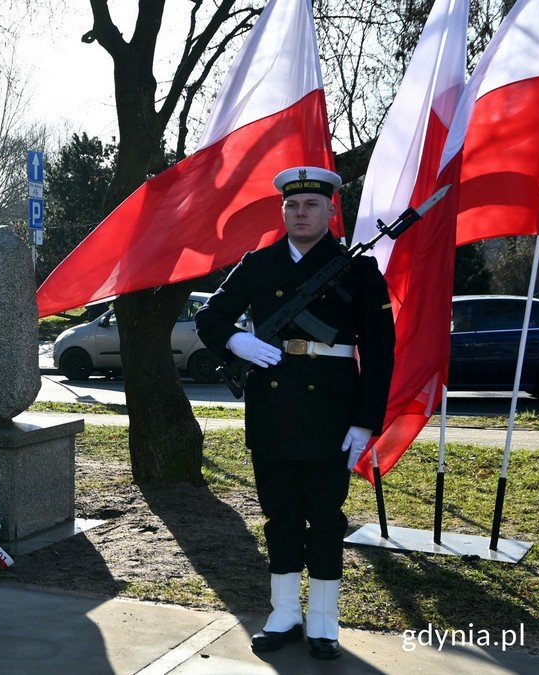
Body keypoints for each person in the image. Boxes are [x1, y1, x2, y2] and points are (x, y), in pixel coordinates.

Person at [195, 167, 394, 660]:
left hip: (333, 413)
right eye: (291, 206)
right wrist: (237, 341)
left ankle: (324, 621)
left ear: (331, 211)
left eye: (310, 205)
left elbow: (380, 351)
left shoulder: (358, 269)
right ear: (282, 211)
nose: (299, 213)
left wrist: (366, 421)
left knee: (325, 519)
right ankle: (284, 613)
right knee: (280, 515)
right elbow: (210, 316)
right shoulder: (258, 265)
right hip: (273, 410)